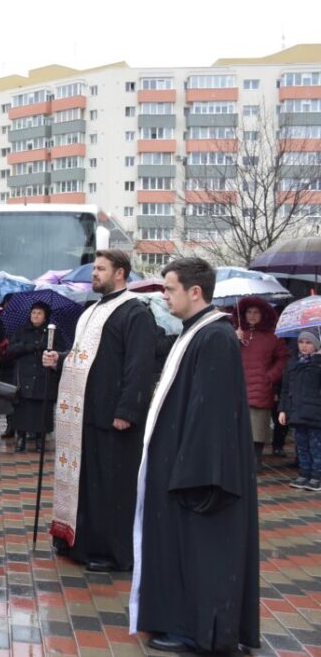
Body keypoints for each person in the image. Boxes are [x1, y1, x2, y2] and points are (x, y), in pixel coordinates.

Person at [130, 257, 259, 653]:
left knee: (204, 556)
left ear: (195, 291)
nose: (164, 296)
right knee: (183, 552)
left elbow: (212, 414)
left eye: (169, 289)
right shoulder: (195, 333)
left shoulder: (214, 338)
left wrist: (195, 473)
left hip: (200, 475)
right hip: (181, 467)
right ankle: (181, 620)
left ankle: (198, 631)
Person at [42, 250, 156, 572]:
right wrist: (60, 360)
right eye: (94, 268)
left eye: (101, 269)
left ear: (120, 273)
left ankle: (113, 551)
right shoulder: (91, 311)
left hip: (114, 417)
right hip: (83, 414)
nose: (94, 274)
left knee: (111, 487)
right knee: (86, 483)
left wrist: (127, 410)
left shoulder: (135, 313)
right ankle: (79, 541)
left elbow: (139, 367)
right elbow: (86, 359)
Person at [233, 297, 288, 472]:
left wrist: (270, 376)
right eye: (249, 312)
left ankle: (255, 462)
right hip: (237, 385)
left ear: (263, 314)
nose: (252, 315)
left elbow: (284, 358)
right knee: (237, 426)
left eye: (256, 312)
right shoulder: (235, 333)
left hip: (261, 386)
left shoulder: (273, 336)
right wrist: (233, 339)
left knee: (258, 427)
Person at [3, 301, 64, 453]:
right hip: (24, 377)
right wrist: (27, 347)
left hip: (44, 377)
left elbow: (61, 351)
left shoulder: (52, 333)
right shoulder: (21, 330)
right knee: (22, 410)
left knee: (41, 412)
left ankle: (39, 440)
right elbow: (10, 350)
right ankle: (21, 439)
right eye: (33, 313)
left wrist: (50, 350)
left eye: (39, 313)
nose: (35, 316)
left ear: (45, 317)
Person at [278, 331, 321, 491]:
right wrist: (283, 409)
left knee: (316, 445)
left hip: (315, 412)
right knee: (301, 445)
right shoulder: (293, 364)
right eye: (301, 342)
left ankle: (317, 475)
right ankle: (304, 472)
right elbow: (285, 388)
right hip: (297, 411)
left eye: (308, 342)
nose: (304, 346)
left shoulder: (318, 364)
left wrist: (317, 359)